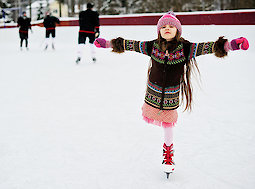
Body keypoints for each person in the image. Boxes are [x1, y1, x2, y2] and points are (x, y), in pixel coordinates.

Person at [93, 11, 249, 178]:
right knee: (152, 115)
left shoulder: (186, 48)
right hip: (152, 93)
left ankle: (168, 154)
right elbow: (130, 44)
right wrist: (108, 44)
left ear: (178, 31)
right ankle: (167, 150)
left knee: (168, 124)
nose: (167, 29)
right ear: (159, 30)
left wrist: (231, 45)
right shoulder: (152, 46)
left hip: (170, 96)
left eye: (171, 26)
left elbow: (208, 47)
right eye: (164, 26)